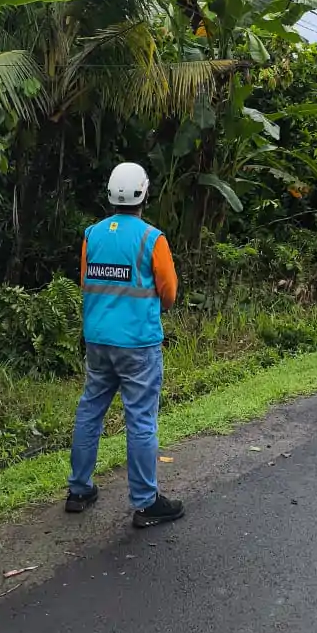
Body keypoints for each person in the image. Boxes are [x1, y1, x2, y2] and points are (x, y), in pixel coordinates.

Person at [66, 162, 184, 528]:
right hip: (137, 344)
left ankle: (79, 489)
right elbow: (169, 292)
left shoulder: (92, 234)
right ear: (144, 194)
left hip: (98, 340)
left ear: (111, 195)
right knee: (141, 419)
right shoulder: (152, 239)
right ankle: (146, 502)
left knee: (90, 411)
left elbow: (87, 281)